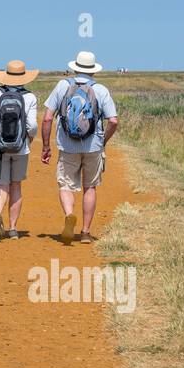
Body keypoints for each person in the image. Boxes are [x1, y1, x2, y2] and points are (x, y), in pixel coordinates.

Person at [41, 50, 118, 244]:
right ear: (93, 70)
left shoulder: (62, 85)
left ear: (75, 67)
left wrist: (45, 146)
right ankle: (85, 232)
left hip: (67, 146)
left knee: (65, 185)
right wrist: (103, 141)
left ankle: (69, 214)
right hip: (93, 147)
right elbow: (114, 121)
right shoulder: (101, 90)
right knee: (89, 187)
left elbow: (48, 117)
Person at [0, 60, 39, 240]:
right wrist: (28, 140)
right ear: (24, 77)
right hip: (21, 148)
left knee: (1, 184)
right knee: (16, 186)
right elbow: (32, 126)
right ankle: (13, 228)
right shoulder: (29, 97)